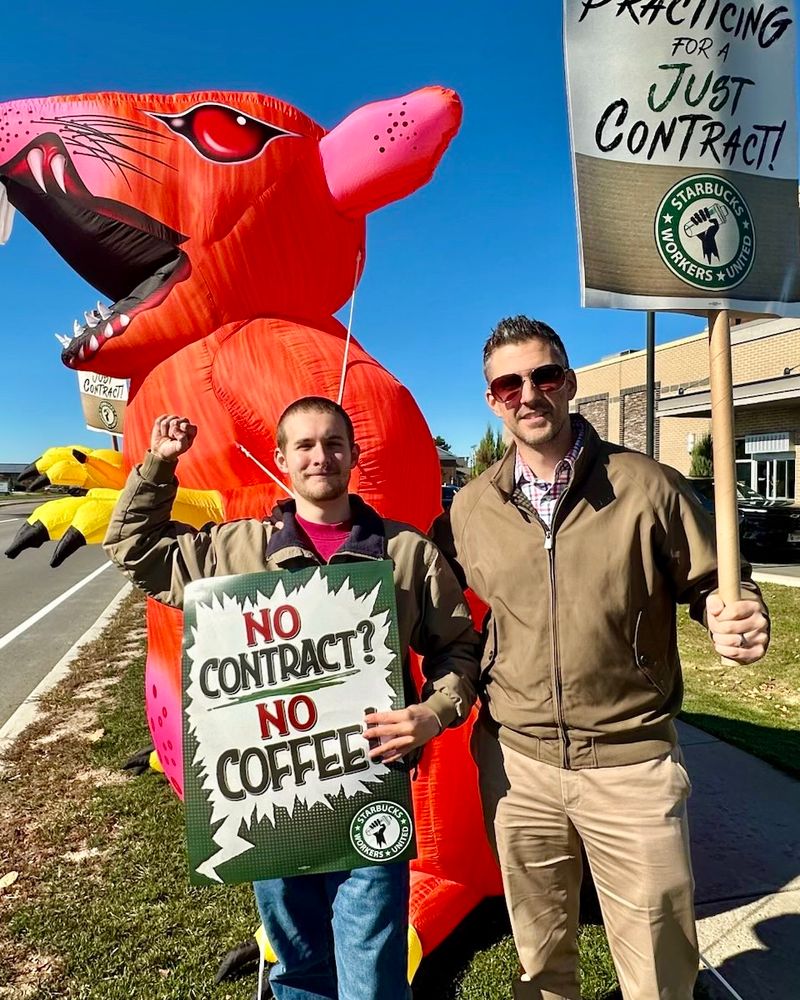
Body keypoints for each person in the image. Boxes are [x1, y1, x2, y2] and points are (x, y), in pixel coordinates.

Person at [434, 316, 770, 1000]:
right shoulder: (471, 508)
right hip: (517, 764)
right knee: (540, 958)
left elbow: (712, 582)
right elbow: (429, 605)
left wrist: (733, 613)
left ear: (570, 383)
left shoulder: (649, 486)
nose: (529, 394)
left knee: (658, 967)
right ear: (492, 400)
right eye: (508, 383)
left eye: (544, 375)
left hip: (632, 764)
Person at [103, 396, 480, 1000]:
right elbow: (136, 551)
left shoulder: (406, 552)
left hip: (369, 795)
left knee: (372, 979)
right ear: (281, 458)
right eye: (304, 445)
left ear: (354, 455)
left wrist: (432, 716)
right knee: (298, 974)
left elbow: (460, 650)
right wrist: (158, 466)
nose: (320, 457)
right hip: (272, 804)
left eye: (333, 443)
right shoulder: (237, 550)